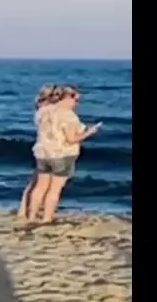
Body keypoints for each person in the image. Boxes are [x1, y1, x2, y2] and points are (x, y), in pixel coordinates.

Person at [25, 84, 100, 223]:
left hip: (42, 153)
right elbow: (71, 139)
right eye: (76, 100)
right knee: (54, 190)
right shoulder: (69, 116)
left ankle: (31, 217)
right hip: (61, 155)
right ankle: (46, 218)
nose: (77, 104)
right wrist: (89, 132)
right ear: (68, 97)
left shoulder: (44, 110)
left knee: (40, 187)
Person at [16, 84, 59, 219]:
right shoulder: (48, 111)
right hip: (48, 150)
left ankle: (23, 210)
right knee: (42, 184)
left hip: (41, 148)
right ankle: (31, 211)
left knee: (35, 181)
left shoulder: (41, 110)